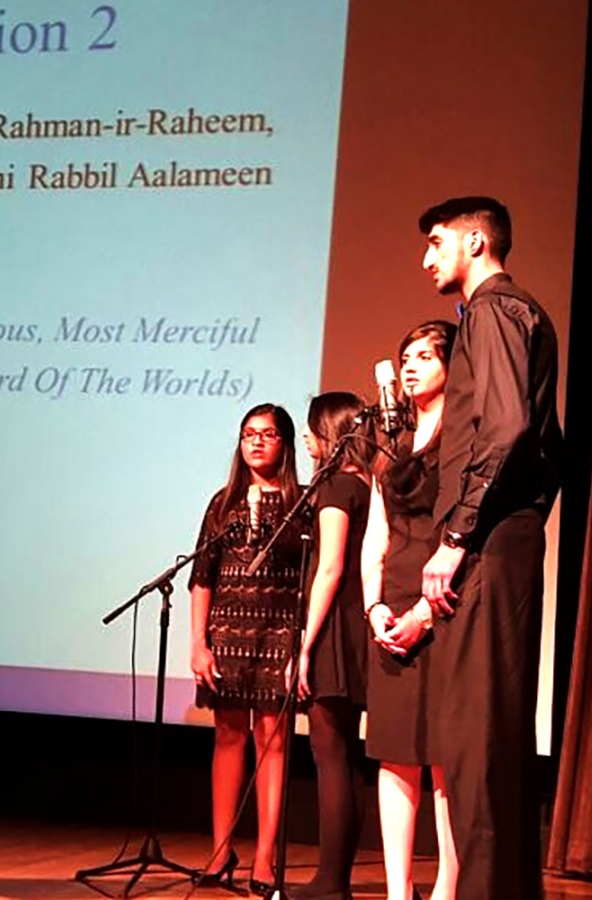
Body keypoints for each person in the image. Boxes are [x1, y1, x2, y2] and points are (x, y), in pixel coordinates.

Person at [414, 197, 563, 900]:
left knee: (476, 743)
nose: (426, 259)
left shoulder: (497, 311)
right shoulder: (510, 314)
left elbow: (505, 430)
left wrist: (458, 535)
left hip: (486, 546)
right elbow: (550, 449)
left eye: (437, 243)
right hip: (506, 542)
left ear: (476, 241)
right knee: (483, 740)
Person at [361, 321, 459, 900]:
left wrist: (424, 613)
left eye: (425, 355)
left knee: (444, 756)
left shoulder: (464, 438)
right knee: (395, 755)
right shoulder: (392, 445)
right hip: (391, 606)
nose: (411, 366)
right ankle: (400, 892)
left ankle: (447, 887)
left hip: (445, 606)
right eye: (406, 357)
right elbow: (377, 536)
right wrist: (374, 606)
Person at [190, 404, 305, 894]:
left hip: (279, 635)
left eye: (268, 434)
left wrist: (302, 646)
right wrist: (198, 643)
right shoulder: (223, 503)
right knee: (228, 738)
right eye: (248, 434)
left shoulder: (303, 504)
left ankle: (264, 858)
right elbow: (202, 577)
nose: (256, 442)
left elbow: (310, 580)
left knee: (273, 743)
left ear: (286, 444)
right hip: (227, 636)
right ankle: (220, 852)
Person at [293, 392, 373, 900]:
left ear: (331, 432)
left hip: (338, 631)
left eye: (311, 429)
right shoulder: (369, 483)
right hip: (362, 629)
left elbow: (330, 568)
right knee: (347, 757)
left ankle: (330, 882)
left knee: (330, 753)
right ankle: (334, 879)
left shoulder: (338, 487)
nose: (305, 439)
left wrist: (304, 646)